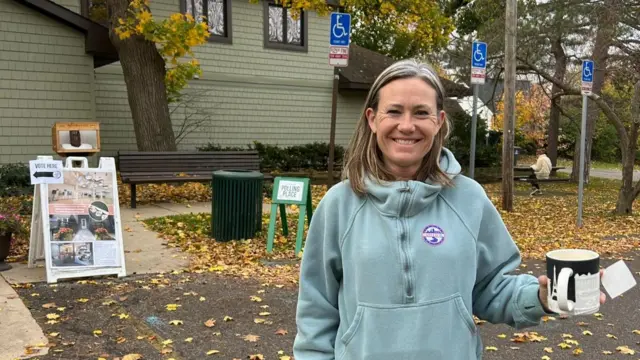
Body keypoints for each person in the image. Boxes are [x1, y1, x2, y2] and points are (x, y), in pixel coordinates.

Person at [292, 59, 606, 360]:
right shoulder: (339, 205)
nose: (407, 125)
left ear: (439, 121)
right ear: (373, 119)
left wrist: (542, 297)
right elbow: (316, 312)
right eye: (394, 111)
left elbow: (491, 288)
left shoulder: (468, 198)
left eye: (421, 113)